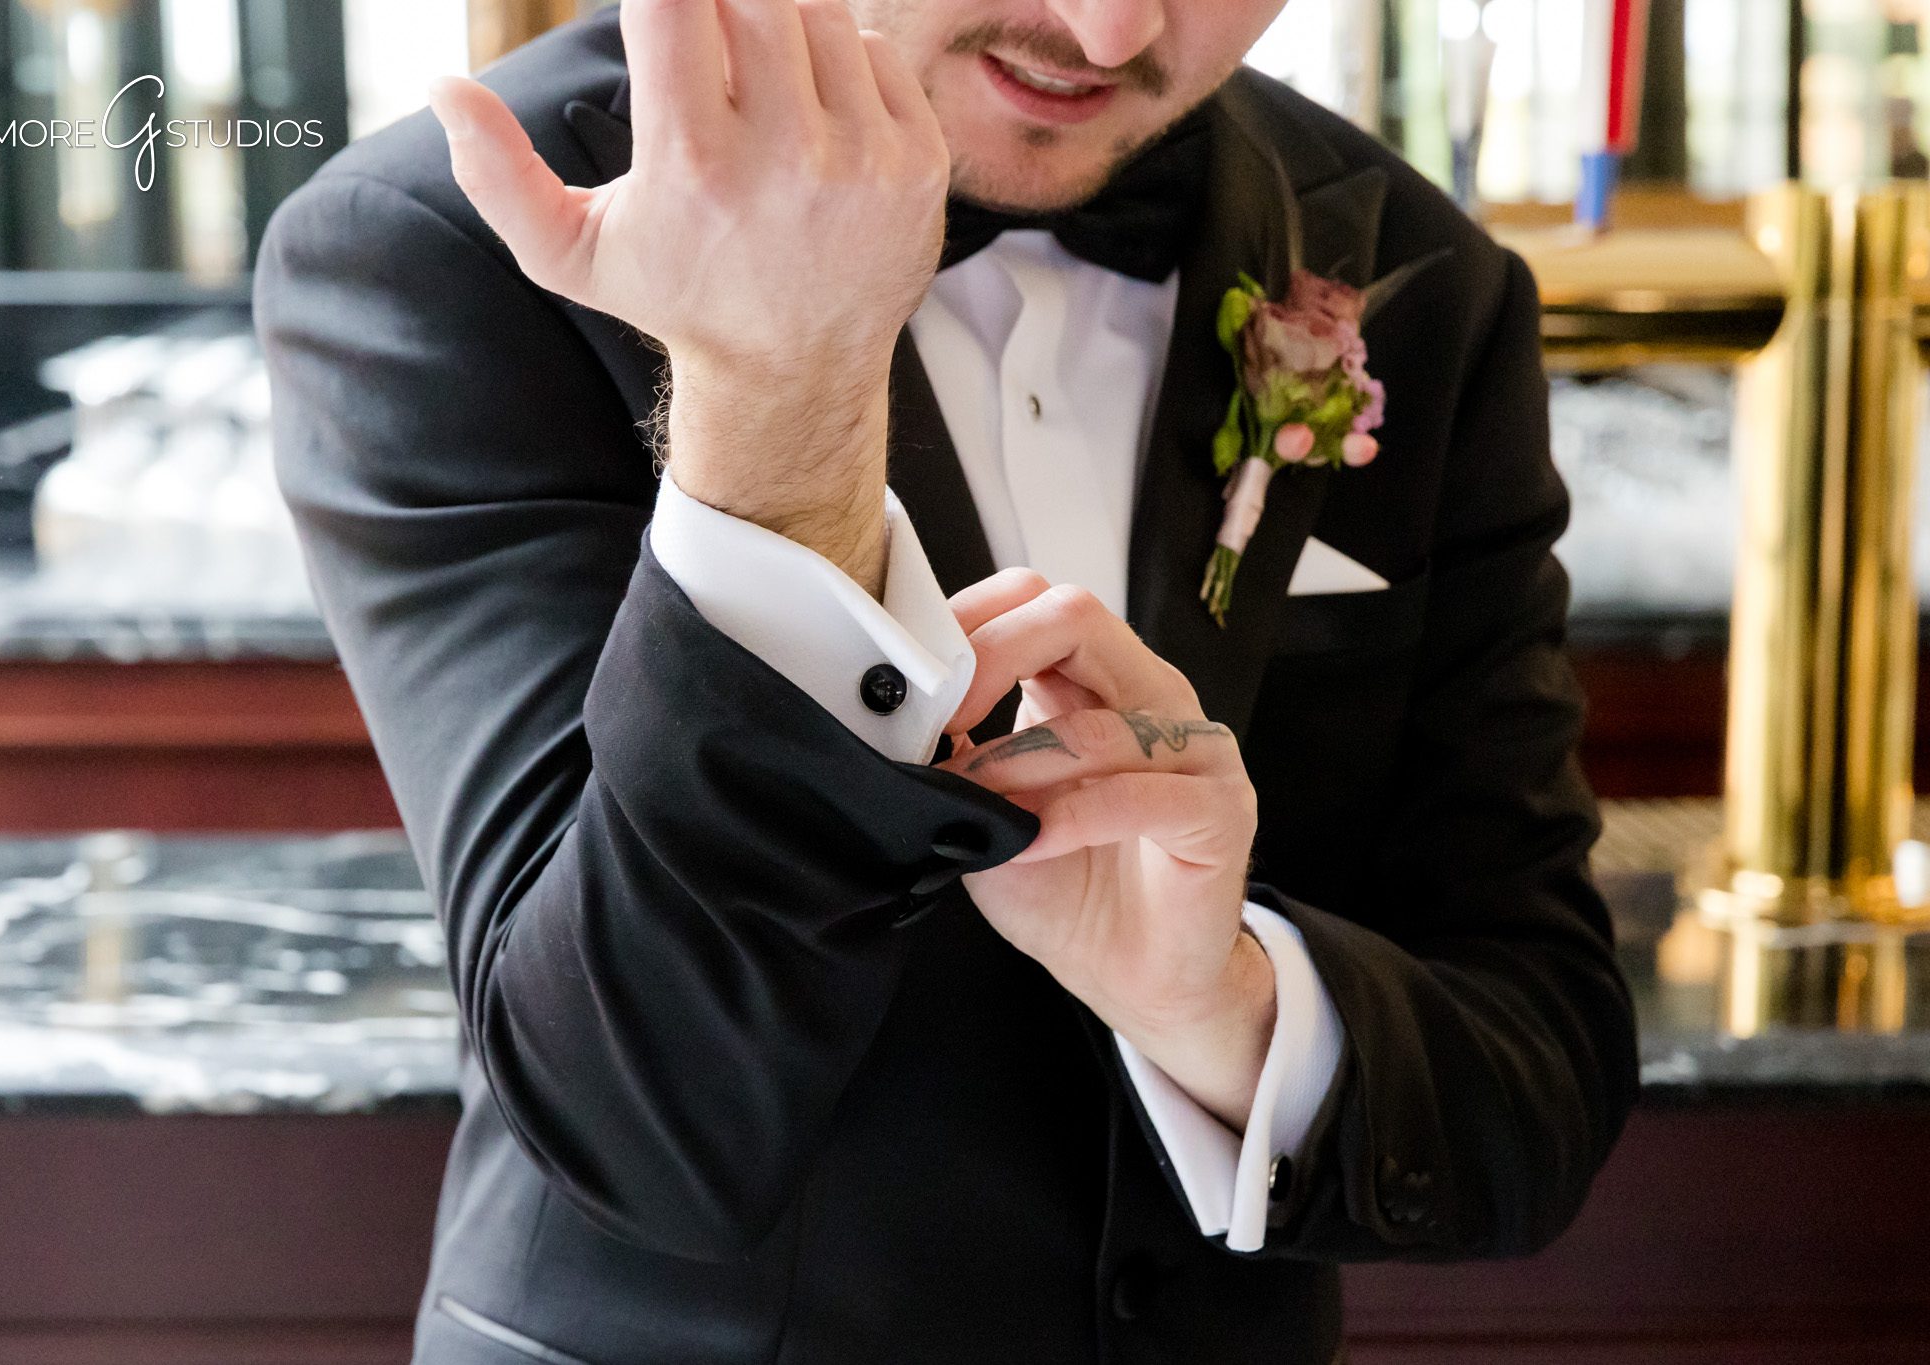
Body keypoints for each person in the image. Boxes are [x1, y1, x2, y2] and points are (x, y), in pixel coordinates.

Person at [252, 1, 1640, 1361]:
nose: (1107, 33)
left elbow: (1542, 1081)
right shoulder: (453, 238)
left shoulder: (1420, 275)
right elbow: (637, 1127)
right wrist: (781, 411)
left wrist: (1216, 1002)